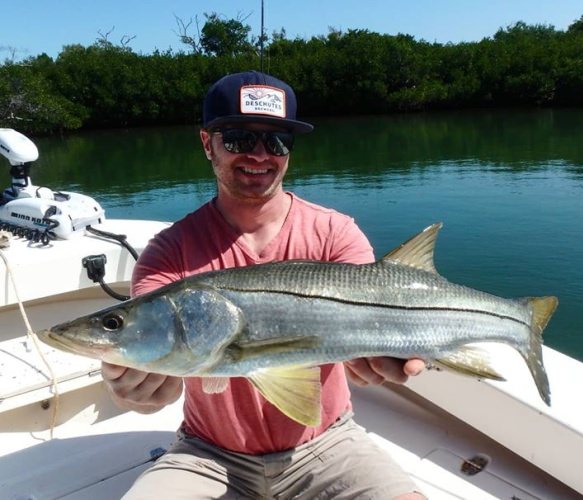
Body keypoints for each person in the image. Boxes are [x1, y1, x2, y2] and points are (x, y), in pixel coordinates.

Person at [102, 71, 426, 499]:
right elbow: (158, 355)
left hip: (327, 443)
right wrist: (135, 392)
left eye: (277, 140)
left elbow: (381, 313)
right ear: (207, 144)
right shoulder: (168, 252)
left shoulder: (336, 233)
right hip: (207, 454)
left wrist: (389, 356)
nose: (260, 154)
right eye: (238, 138)